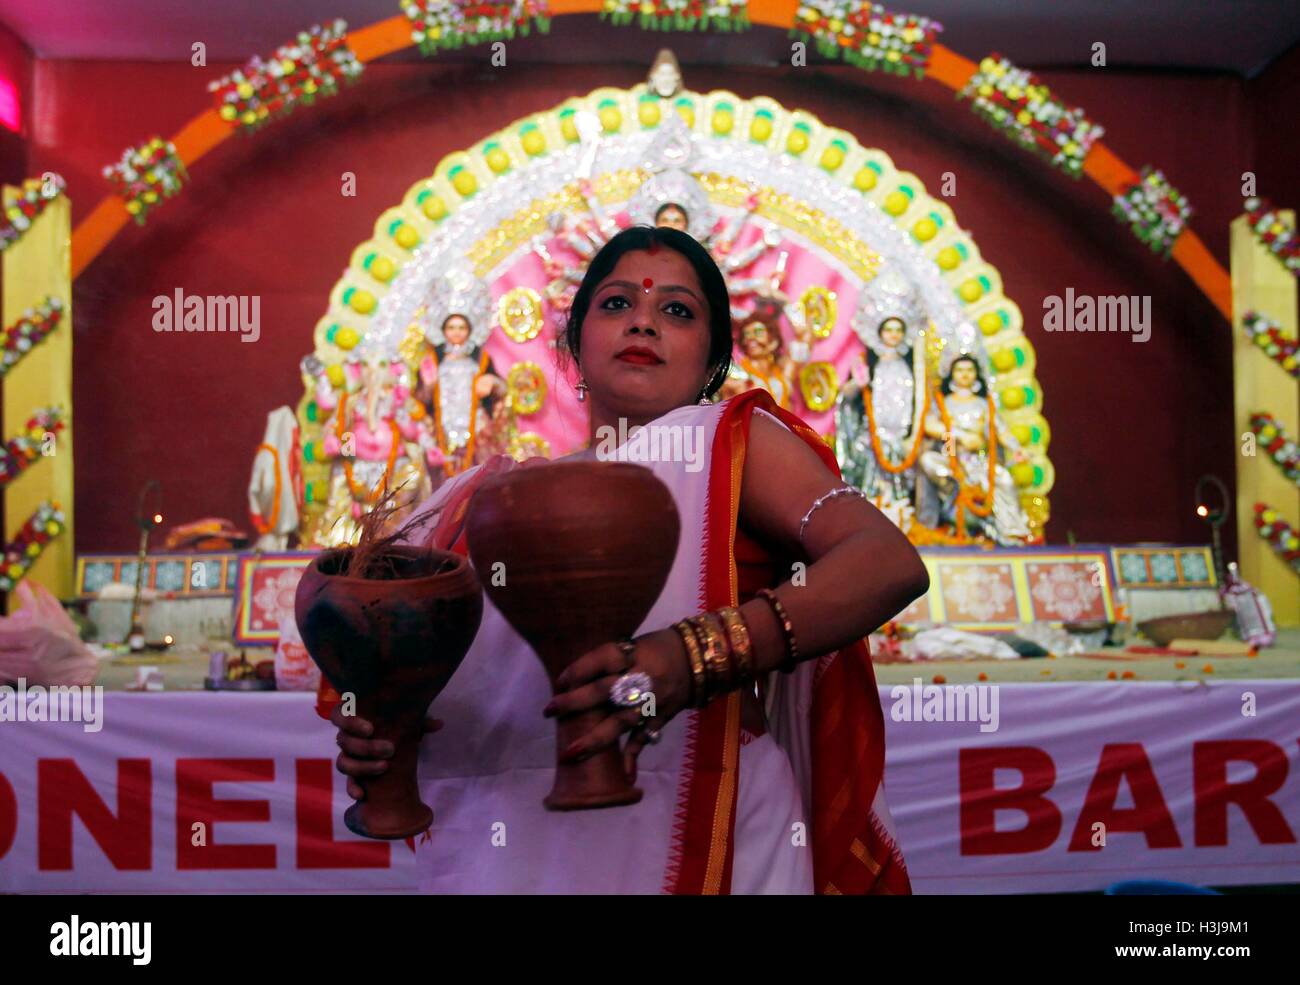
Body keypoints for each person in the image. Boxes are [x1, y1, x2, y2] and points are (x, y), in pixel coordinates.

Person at [331, 226, 929, 894]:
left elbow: (885, 560)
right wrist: (390, 737)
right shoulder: (476, 503)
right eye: (616, 304)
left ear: (712, 363)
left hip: (714, 825)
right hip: (512, 844)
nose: (643, 319)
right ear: (575, 342)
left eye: (677, 310)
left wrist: (693, 657)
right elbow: (404, 674)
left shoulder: (729, 444)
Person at [917, 354, 1031, 544]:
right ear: (951, 374)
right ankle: (952, 493)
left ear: (976, 374)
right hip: (952, 459)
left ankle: (1012, 531)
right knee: (928, 460)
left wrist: (1016, 448)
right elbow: (929, 425)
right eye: (960, 370)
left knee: (1004, 479)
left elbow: (1001, 431)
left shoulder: (984, 405)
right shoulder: (943, 403)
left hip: (979, 461)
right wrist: (959, 435)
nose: (965, 375)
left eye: (969, 370)